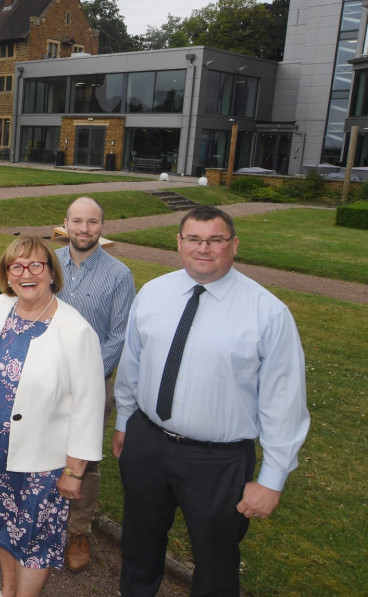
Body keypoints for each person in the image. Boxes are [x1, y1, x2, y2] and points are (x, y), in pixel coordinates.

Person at [113, 206, 309, 596]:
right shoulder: (154, 293)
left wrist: (272, 479)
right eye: (194, 239)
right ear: (179, 243)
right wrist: (124, 423)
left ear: (233, 245)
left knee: (216, 559)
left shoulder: (267, 313)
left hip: (217, 461)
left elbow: (283, 400)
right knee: (139, 543)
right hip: (147, 444)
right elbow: (132, 364)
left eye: (215, 240)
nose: (203, 248)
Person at [0, 235, 105, 597]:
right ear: (7, 275)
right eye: (17, 266)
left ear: (52, 274)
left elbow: (89, 406)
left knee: (34, 540)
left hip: (42, 461)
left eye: (36, 265)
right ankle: (8, 590)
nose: (27, 273)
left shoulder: (75, 331)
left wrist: (74, 471)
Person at [53, 196, 135, 571]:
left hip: (93, 381)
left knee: (84, 457)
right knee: (43, 447)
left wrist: (83, 376)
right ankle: (43, 521)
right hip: (45, 376)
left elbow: (119, 336)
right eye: (78, 221)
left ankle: (79, 530)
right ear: (65, 224)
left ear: (103, 227)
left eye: (92, 223)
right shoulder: (48, 262)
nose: (84, 229)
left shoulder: (119, 274)